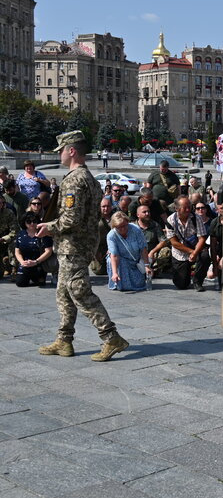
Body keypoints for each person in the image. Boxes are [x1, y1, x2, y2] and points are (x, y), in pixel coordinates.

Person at [36, 130, 129, 362]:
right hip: (77, 244)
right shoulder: (88, 177)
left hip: (73, 246)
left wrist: (49, 227)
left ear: (71, 150)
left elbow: (71, 219)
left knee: (79, 291)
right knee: (64, 293)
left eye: (61, 151)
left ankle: (111, 337)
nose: (59, 155)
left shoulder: (75, 179)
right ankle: (64, 340)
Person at [165, 195, 209, 291]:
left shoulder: (196, 218)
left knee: (205, 255)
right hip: (180, 252)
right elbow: (174, 242)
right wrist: (191, 252)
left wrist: (195, 252)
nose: (188, 209)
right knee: (181, 285)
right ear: (177, 209)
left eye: (189, 207)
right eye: (185, 208)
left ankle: (198, 281)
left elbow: (202, 238)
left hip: (196, 247)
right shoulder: (170, 220)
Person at [106, 211, 152, 291]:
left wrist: (146, 266)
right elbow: (114, 255)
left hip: (135, 260)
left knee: (139, 283)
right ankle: (117, 281)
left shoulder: (136, 230)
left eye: (124, 225)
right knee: (111, 260)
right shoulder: (111, 236)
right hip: (120, 260)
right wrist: (115, 273)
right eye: (119, 227)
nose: (123, 229)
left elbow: (143, 248)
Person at [14, 212, 53, 287]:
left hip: (39, 263)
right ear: (24, 223)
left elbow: (49, 251)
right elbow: (17, 251)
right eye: (28, 221)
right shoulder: (20, 234)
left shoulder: (44, 233)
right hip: (25, 263)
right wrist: (22, 262)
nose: (32, 224)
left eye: (34, 221)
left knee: (40, 283)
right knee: (20, 283)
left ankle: (38, 278)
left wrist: (35, 262)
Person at [133, 204, 170, 275]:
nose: (147, 214)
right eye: (144, 212)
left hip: (151, 255)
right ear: (138, 215)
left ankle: (153, 270)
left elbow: (163, 241)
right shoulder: (132, 227)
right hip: (137, 254)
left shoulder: (155, 225)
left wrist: (153, 252)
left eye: (148, 212)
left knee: (166, 251)